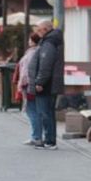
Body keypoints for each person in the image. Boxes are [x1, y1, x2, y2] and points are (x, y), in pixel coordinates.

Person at [28, 20, 64, 150]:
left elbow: (45, 65)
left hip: (46, 84)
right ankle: (49, 140)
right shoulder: (50, 40)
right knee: (47, 112)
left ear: (46, 29)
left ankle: (49, 141)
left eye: (39, 30)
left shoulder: (49, 43)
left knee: (45, 113)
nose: (37, 33)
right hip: (49, 82)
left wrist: (39, 82)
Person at [17, 33, 42, 145]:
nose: (28, 41)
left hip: (29, 84)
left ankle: (36, 136)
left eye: (29, 39)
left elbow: (27, 70)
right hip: (31, 83)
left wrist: (21, 82)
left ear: (33, 41)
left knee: (31, 110)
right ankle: (36, 135)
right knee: (33, 110)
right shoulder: (35, 52)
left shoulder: (32, 53)